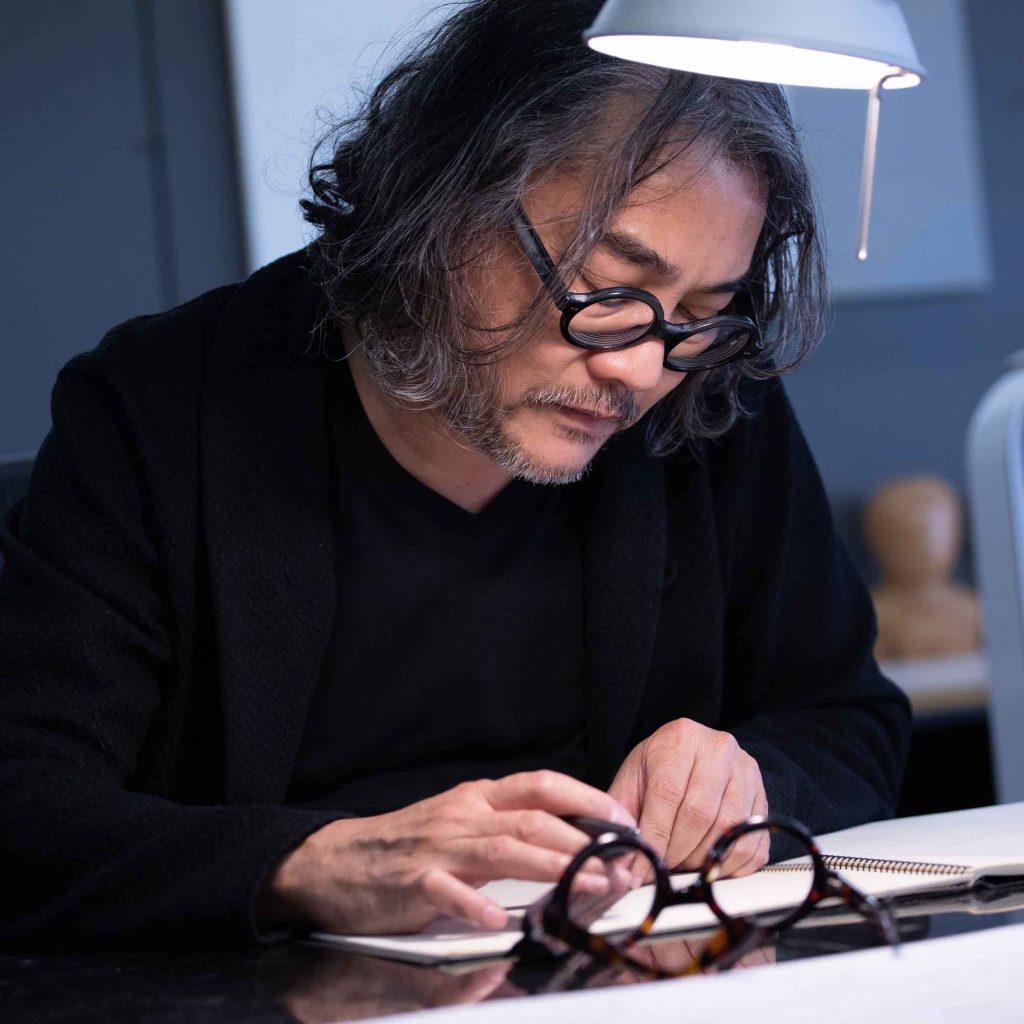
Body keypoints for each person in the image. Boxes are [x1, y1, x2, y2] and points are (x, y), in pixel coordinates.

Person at [0, 0, 910, 947]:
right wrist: (307, 866)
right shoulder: (156, 410)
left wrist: (750, 780)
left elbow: (850, 719)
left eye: (701, 310)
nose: (642, 370)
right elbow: (25, 802)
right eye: (609, 286)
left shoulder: (706, 400)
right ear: (446, 197)